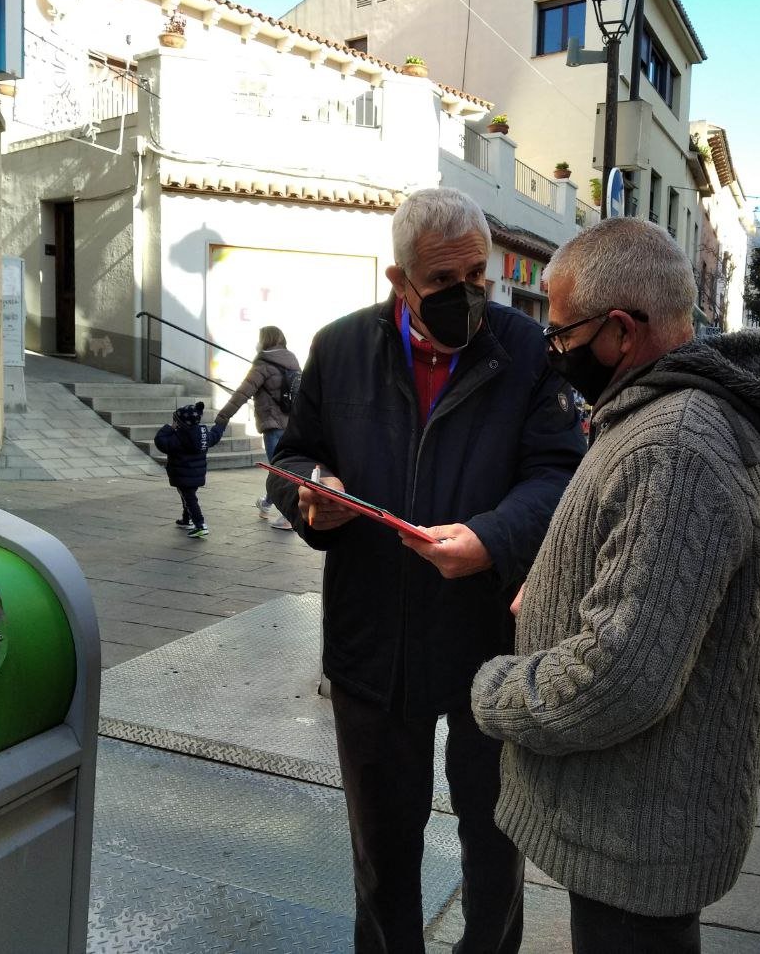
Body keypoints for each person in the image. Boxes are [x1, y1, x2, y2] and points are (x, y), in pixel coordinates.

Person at [470, 218, 760, 954]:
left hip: (636, 835)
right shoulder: (674, 415)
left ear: (622, 333)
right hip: (637, 819)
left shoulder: (675, 443)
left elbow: (624, 675)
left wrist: (494, 690)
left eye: (563, 334)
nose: (554, 351)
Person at [265, 188, 585, 954]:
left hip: (491, 644)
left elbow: (558, 476)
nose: (470, 293)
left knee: (495, 851)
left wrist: (488, 536)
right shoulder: (339, 348)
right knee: (381, 857)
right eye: (445, 281)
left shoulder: (525, 351)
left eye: (480, 273)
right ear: (399, 282)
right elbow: (293, 456)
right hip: (373, 648)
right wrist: (312, 499)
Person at [213, 325, 302, 531]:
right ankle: (267, 502)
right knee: (281, 467)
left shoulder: (263, 365)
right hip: (291, 424)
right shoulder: (293, 363)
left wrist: (222, 417)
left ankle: (287, 515)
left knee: (278, 470)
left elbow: (242, 394)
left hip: (272, 425)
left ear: (265, 340)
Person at [154, 402, 224, 539]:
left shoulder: (178, 437)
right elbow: (215, 435)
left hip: (182, 475)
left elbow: (160, 442)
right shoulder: (203, 435)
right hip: (196, 475)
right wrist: (221, 425)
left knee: (189, 499)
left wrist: (169, 428)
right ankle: (186, 520)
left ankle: (200, 525)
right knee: (187, 497)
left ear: (180, 423)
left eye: (175, 421)